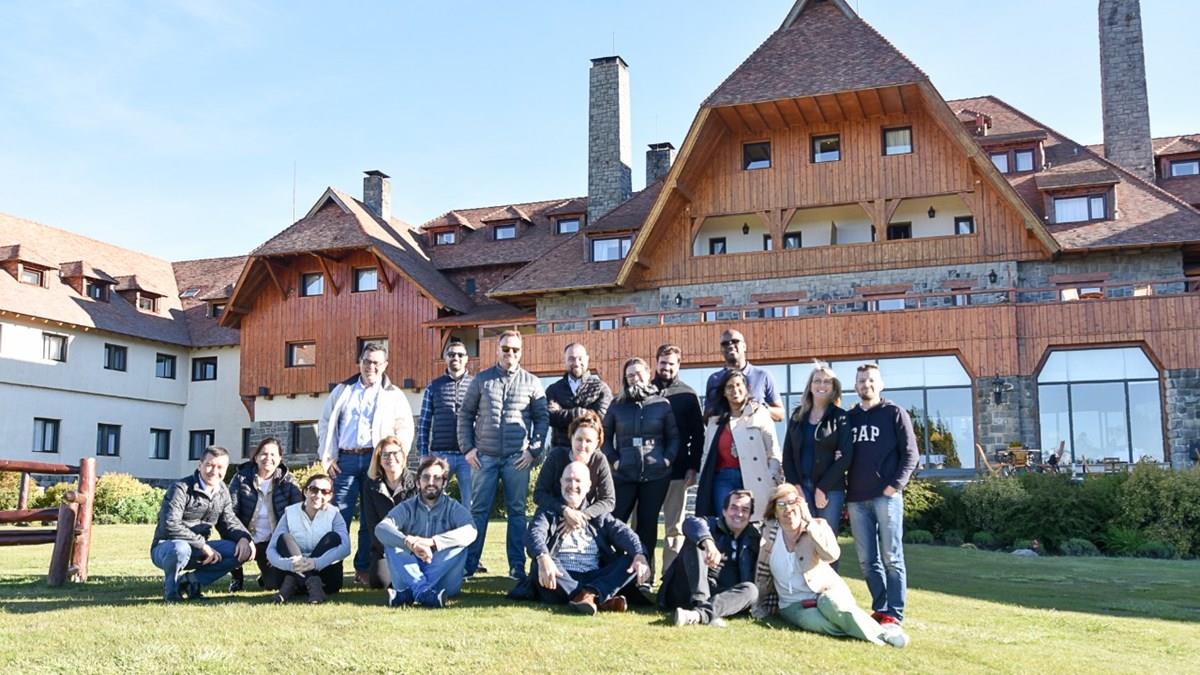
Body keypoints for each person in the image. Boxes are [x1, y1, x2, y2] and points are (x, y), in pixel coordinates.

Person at [752, 483, 908, 648]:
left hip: (824, 592)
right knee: (815, 623)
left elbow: (831, 555)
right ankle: (870, 631)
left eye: (792, 503)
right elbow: (761, 574)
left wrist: (810, 523)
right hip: (792, 604)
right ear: (774, 510)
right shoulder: (769, 535)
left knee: (830, 605)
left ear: (801, 506)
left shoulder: (817, 527)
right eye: (781, 505)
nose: (788, 510)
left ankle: (884, 636)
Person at [318, 341, 415, 585]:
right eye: (366, 361)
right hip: (346, 460)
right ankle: (332, 567)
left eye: (376, 362)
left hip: (376, 460)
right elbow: (326, 422)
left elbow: (405, 427)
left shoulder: (393, 394)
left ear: (385, 365)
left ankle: (362, 568)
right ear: (360, 362)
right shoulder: (343, 390)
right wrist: (328, 458)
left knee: (369, 518)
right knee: (339, 515)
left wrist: (396, 458)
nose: (370, 366)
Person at [458, 329, 549, 580]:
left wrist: (534, 451)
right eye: (506, 349)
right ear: (497, 350)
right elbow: (465, 415)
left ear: (521, 352)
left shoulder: (532, 382)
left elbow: (542, 419)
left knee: (517, 513)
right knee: (478, 512)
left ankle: (516, 566)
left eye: (515, 350)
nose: (510, 353)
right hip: (483, 457)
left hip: (517, 459)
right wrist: (467, 448)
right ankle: (469, 564)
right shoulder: (481, 380)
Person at [511, 461, 650, 615]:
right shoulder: (547, 511)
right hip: (560, 576)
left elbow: (623, 532)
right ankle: (600, 598)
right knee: (541, 562)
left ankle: (589, 595)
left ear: (588, 486)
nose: (572, 485)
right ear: (561, 482)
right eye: (568, 480)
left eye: (578, 481)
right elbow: (534, 534)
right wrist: (543, 556)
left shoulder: (598, 514)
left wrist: (639, 553)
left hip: (594, 575)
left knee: (631, 560)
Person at [846, 363, 919, 626]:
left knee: (892, 556)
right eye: (862, 381)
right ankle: (881, 607)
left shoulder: (894, 413)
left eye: (871, 380)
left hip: (886, 496)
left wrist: (894, 485)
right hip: (856, 498)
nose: (866, 385)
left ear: (881, 384)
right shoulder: (849, 418)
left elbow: (911, 454)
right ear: (855, 386)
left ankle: (895, 613)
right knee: (867, 560)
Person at [603, 356, 679, 585]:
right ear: (625, 380)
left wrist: (667, 460)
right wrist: (615, 461)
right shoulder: (616, 405)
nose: (635, 378)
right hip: (624, 475)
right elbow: (605, 439)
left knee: (647, 526)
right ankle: (610, 573)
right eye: (630, 375)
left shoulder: (662, 404)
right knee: (614, 523)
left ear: (647, 373)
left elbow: (674, 437)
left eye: (638, 373)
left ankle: (643, 579)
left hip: (655, 476)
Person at [150, 446, 255, 602]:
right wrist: (203, 546)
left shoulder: (222, 491)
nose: (214, 471)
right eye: (209, 465)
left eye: (220, 467)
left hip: (199, 549)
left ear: (226, 469)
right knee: (180, 548)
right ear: (200, 465)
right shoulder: (180, 488)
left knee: (237, 551)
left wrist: (245, 538)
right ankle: (171, 591)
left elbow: (229, 521)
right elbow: (170, 524)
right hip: (167, 547)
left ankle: (191, 582)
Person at [375, 456, 478, 608]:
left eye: (437, 478)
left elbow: (471, 531)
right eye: (426, 477)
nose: (431, 482)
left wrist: (432, 542)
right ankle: (424, 593)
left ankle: (410, 593)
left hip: (444, 580)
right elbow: (381, 528)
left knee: (459, 546)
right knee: (393, 544)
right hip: (411, 568)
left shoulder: (453, 508)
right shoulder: (407, 507)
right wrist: (409, 543)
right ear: (418, 482)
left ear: (444, 483)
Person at [659, 489, 760, 627]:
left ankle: (699, 614)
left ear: (750, 516)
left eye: (745, 510)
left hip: (720, 595)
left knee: (751, 590)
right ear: (724, 511)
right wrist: (707, 542)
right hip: (686, 590)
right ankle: (702, 604)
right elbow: (690, 523)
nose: (739, 514)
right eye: (734, 508)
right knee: (695, 542)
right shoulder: (710, 524)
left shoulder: (753, 539)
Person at [695, 370, 782, 522]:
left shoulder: (760, 413)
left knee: (755, 522)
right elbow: (706, 454)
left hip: (755, 476)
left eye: (738, 385)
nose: (735, 390)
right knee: (726, 522)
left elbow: (773, 450)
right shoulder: (714, 421)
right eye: (729, 387)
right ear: (724, 392)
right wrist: (702, 480)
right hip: (723, 478)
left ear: (746, 387)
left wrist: (773, 476)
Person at [651, 344, 706, 577]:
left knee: (674, 529)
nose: (666, 367)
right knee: (643, 526)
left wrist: (694, 467)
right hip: (647, 473)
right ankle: (642, 577)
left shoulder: (688, 395)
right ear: (656, 363)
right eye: (663, 363)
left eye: (671, 364)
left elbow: (698, 434)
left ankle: (669, 577)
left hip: (678, 471)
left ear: (678, 365)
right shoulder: (645, 389)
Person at [783, 363, 853, 534]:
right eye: (817, 381)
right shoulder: (797, 415)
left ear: (834, 388)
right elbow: (787, 456)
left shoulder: (840, 416)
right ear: (810, 386)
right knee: (802, 538)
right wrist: (796, 488)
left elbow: (846, 456)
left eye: (827, 382)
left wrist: (822, 489)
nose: (822, 385)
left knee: (826, 541)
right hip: (801, 487)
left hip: (830, 489)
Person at [227, 437, 302, 591]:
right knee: (228, 548)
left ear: (280, 458)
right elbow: (230, 513)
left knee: (273, 585)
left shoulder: (288, 482)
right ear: (255, 457)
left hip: (272, 541)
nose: (268, 458)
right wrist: (242, 537)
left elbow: (297, 516)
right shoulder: (241, 478)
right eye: (264, 454)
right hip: (246, 538)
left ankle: (266, 574)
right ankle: (236, 577)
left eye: (273, 455)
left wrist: (277, 548)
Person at [266, 473, 351, 604]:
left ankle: (292, 585)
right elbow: (271, 550)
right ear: (305, 491)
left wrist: (316, 563)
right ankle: (312, 584)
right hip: (293, 568)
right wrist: (290, 565)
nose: (318, 495)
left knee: (333, 538)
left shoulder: (335, 514)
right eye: (314, 490)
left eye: (325, 492)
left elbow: (346, 548)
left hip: (325, 577)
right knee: (283, 538)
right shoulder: (290, 512)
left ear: (330, 496)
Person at [415, 339, 476, 513]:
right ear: (445, 358)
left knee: (470, 506)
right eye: (451, 354)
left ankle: (470, 541)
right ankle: (435, 540)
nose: (455, 357)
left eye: (460, 354)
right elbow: (424, 422)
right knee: (434, 504)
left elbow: (482, 421)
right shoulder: (433, 387)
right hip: (440, 456)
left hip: (469, 456)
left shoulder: (476, 385)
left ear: (466, 359)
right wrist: (423, 454)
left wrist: (480, 450)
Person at [533, 410, 615, 521]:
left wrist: (581, 516)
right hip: (554, 514)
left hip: (586, 518)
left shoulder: (599, 460)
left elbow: (609, 500)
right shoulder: (556, 456)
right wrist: (565, 511)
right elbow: (539, 494)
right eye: (579, 439)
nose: (583, 445)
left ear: (597, 443)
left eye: (588, 441)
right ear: (571, 438)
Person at [360, 435, 418, 589]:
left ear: (403, 456)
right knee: (380, 582)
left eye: (395, 453)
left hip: (414, 545)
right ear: (379, 459)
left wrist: (411, 546)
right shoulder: (370, 485)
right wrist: (387, 549)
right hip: (385, 547)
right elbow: (372, 524)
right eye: (385, 454)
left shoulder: (417, 481)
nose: (391, 458)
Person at [703, 329, 785, 422]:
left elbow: (780, 414)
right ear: (721, 350)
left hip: (755, 433)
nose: (730, 345)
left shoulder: (762, 376)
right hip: (725, 433)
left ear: (744, 346)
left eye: (735, 341)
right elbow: (706, 418)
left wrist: (761, 408)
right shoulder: (714, 379)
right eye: (725, 344)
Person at [545, 342, 613, 452]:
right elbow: (550, 418)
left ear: (587, 359)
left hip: (591, 453)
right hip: (561, 452)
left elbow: (601, 418)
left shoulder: (601, 388)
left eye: (580, 358)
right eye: (571, 359)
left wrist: (564, 413)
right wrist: (586, 413)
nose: (576, 363)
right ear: (565, 361)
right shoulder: (553, 390)